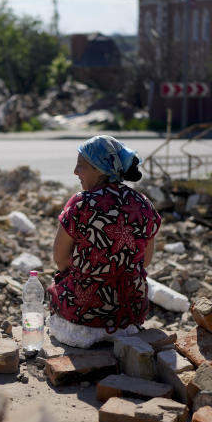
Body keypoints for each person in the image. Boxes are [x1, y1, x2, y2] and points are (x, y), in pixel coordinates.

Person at [47, 135, 161, 348]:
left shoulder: (81, 203)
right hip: (129, 312)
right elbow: (144, 262)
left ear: (100, 168)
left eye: (81, 165)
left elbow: (61, 259)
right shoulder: (143, 204)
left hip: (84, 313)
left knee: (55, 285)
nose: (75, 171)